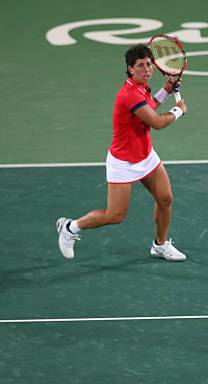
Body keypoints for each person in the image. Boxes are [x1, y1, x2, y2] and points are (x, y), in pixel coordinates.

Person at [57, 44, 188, 262]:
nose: (146, 69)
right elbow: (155, 122)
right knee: (115, 216)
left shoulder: (141, 88)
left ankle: (161, 244)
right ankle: (70, 227)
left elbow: (147, 107)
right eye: (140, 65)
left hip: (146, 156)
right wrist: (178, 110)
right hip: (123, 163)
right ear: (130, 69)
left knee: (165, 199)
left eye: (148, 64)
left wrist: (165, 91)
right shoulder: (128, 94)